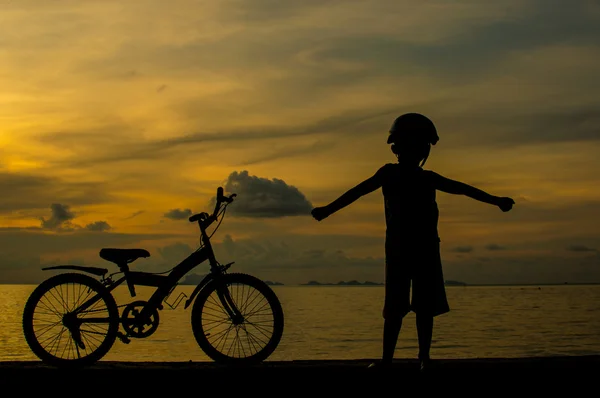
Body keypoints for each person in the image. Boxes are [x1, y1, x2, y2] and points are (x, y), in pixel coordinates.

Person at [310, 113, 515, 371]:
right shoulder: (393, 175)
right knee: (400, 307)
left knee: (420, 306)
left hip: (420, 248)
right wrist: (328, 210)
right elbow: (358, 191)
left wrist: (496, 200)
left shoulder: (424, 178)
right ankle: (399, 359)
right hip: (403, 249)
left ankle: (419, 358)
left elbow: (462, 188)